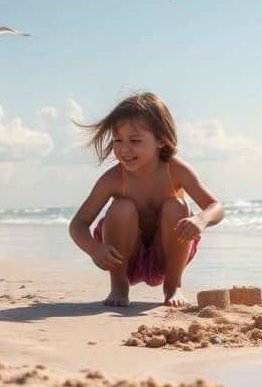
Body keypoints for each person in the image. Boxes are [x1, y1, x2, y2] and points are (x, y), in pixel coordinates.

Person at [68, 92, 223, 307]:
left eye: (135, 140)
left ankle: (173, 286)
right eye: (117, 140)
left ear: (161, 140)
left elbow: (215, 207)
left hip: (166, 257)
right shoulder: (113, 179)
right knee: (122, 208)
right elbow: (78, 224)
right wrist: (95, 249)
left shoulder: (175, 170)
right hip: (124, 258)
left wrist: (200, 220)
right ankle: (119, 286)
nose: (123, 148)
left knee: (176, 206)